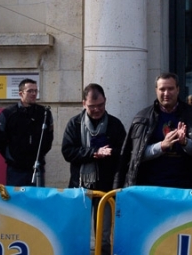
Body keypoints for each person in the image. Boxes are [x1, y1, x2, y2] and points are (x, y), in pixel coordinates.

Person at [114, 72, 192, 191]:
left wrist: (185, 143)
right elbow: (134, 157)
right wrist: (161, 146)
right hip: (150, 189)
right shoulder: (142, 118)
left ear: (178, 89)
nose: (166, 93)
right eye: (162, 89)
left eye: (170, 89)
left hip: (188, 190)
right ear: (156, 90)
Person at [62, 83, 126, 255]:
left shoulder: (114, 124)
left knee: (104, 233)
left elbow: (124, 154)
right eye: (92, 107)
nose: (97, 110)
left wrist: (110, 154)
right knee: (79, 230)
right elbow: (67, 151)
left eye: (100, 105)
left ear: (105, 101)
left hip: (106, 186)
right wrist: (93, 153)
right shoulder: (74, 124)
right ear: (84, 103)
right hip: (80, 185)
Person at [0, 78, 53, 187]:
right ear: (20, 93)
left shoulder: (44, 113)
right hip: (15, 169)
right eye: (30, 91)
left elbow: (48, 140)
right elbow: (0, 141)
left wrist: (39, 156)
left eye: (35, 91)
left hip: (37, 167)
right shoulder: (8, 113)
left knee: (36, 201)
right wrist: (12, 158)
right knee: (15, 202)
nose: (33, 94)